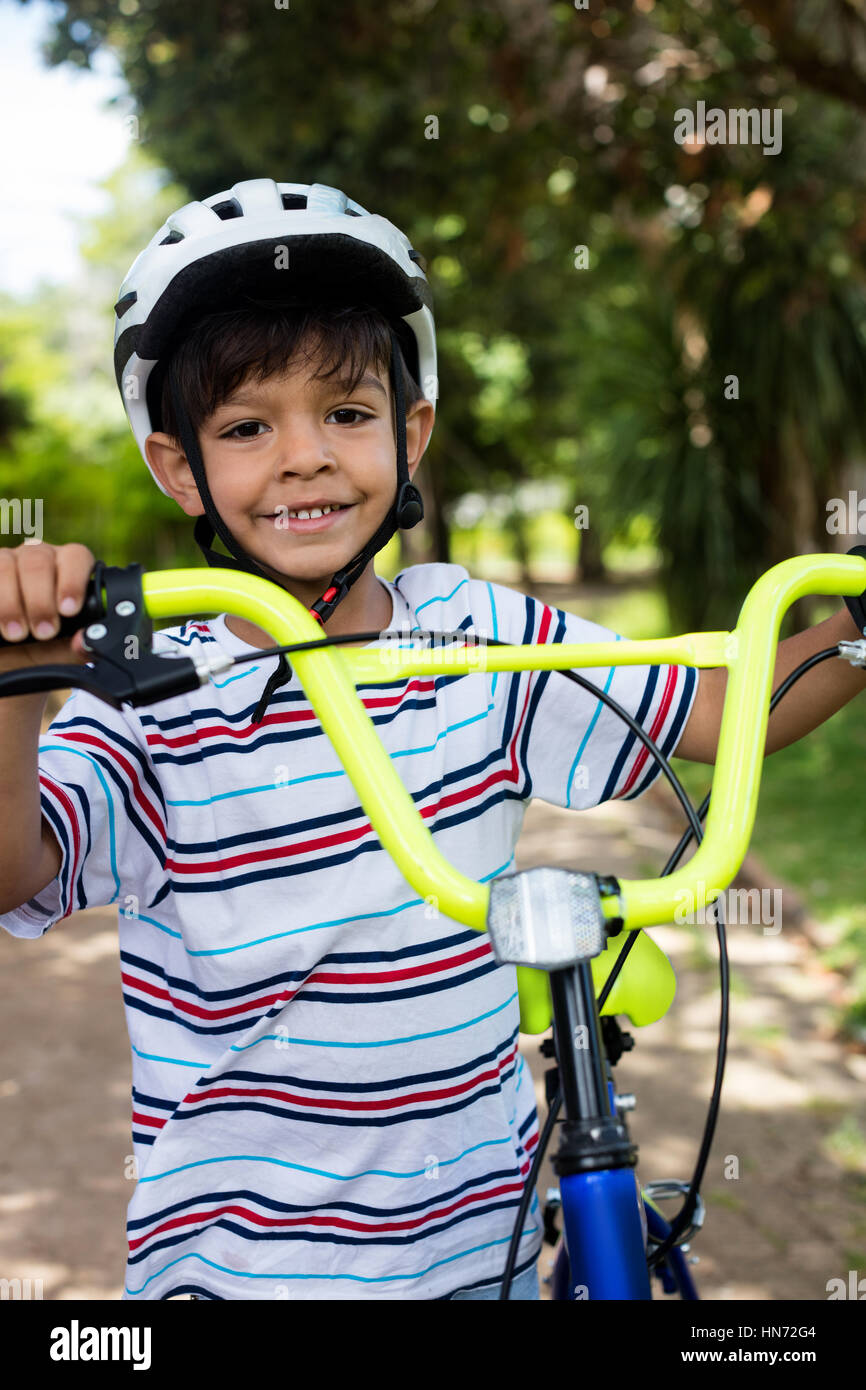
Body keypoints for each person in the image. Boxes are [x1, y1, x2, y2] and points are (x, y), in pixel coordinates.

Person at [0, 179, 863, 1301]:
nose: (304, 456)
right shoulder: (151, 699)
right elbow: (16, 868)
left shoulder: (473, 634)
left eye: (346, 414)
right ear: (179, 468)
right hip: (242, 1272)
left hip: (477, 1254)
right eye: (248, 427)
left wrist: (849, 629)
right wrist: (22, 690)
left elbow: (722, 709)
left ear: (409, 435)